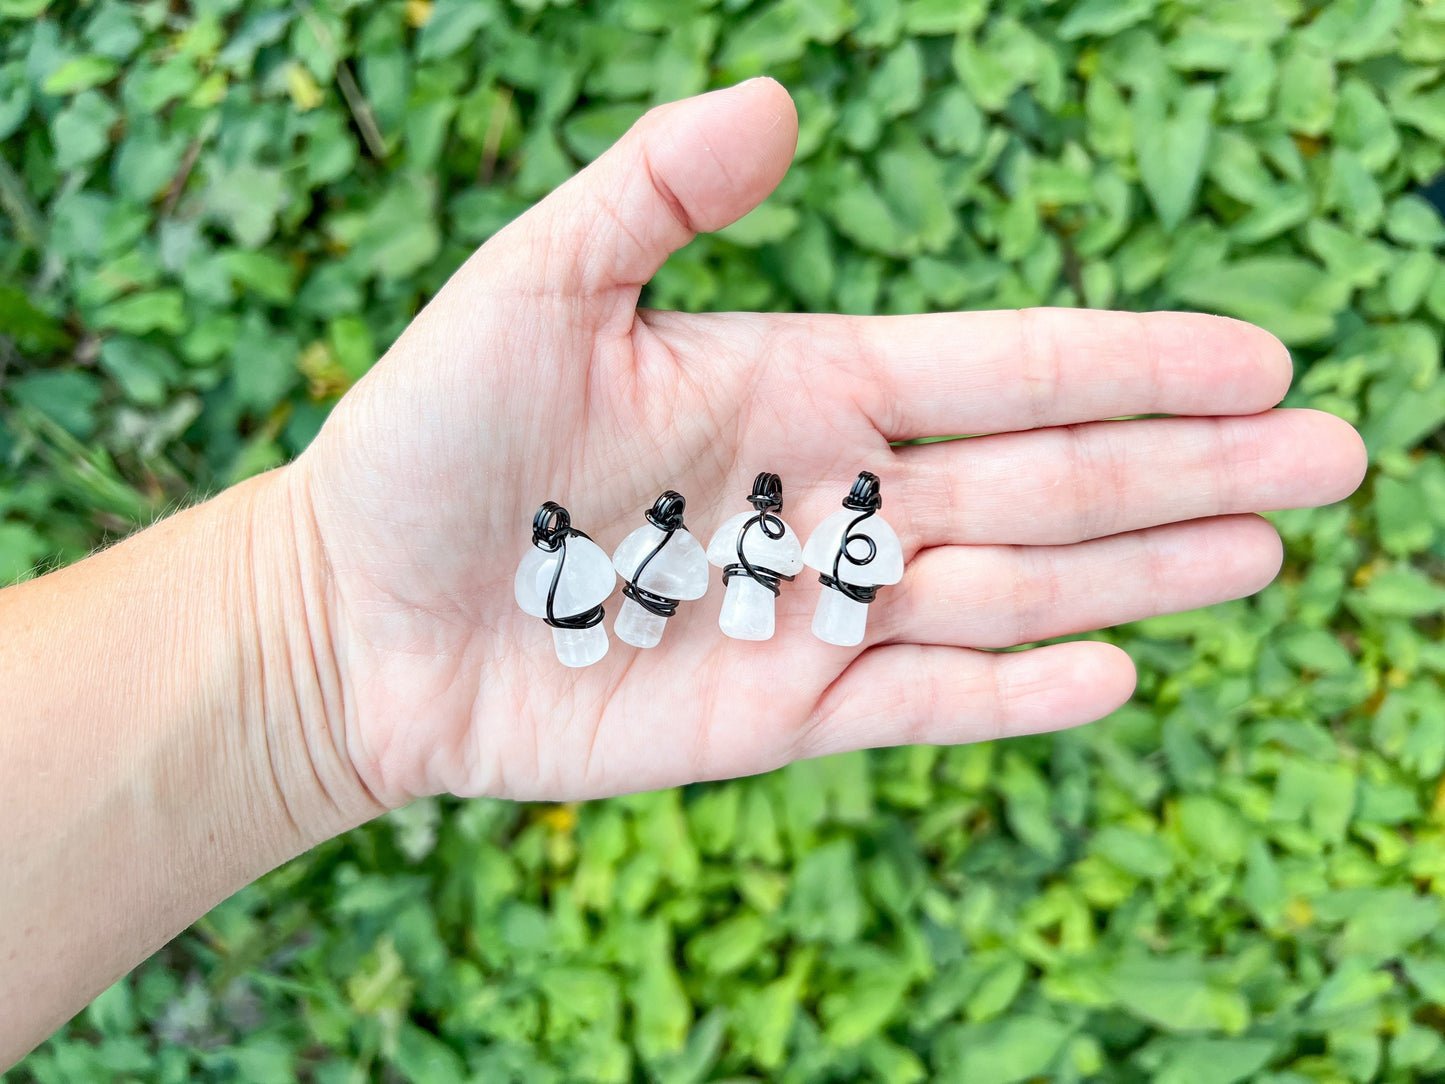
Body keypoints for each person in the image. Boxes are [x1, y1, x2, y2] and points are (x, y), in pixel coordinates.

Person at [0, 79, 1366, 1066]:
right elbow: (701, 560)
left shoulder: (764, 541)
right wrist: (325, 615)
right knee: (665, 603)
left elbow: (780, 554)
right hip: (647, 600)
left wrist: (316, 632)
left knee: (721, 594)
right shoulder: (635, 552)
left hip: (712, 593)